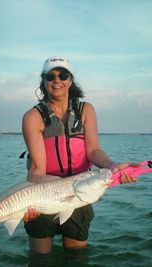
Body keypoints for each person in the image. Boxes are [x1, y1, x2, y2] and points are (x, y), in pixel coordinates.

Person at [22, 56, 137, 255]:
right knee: (39, 259)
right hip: (44, 192)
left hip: (81, 193)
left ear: (71, 79)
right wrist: (29, 202)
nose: (57, 80)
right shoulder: (33, 117)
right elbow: (37, 169)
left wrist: (114, 166)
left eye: (63, 75)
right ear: (43, 80)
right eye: (51, 76)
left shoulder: (86, 110)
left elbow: (93, 151)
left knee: (77, 257)